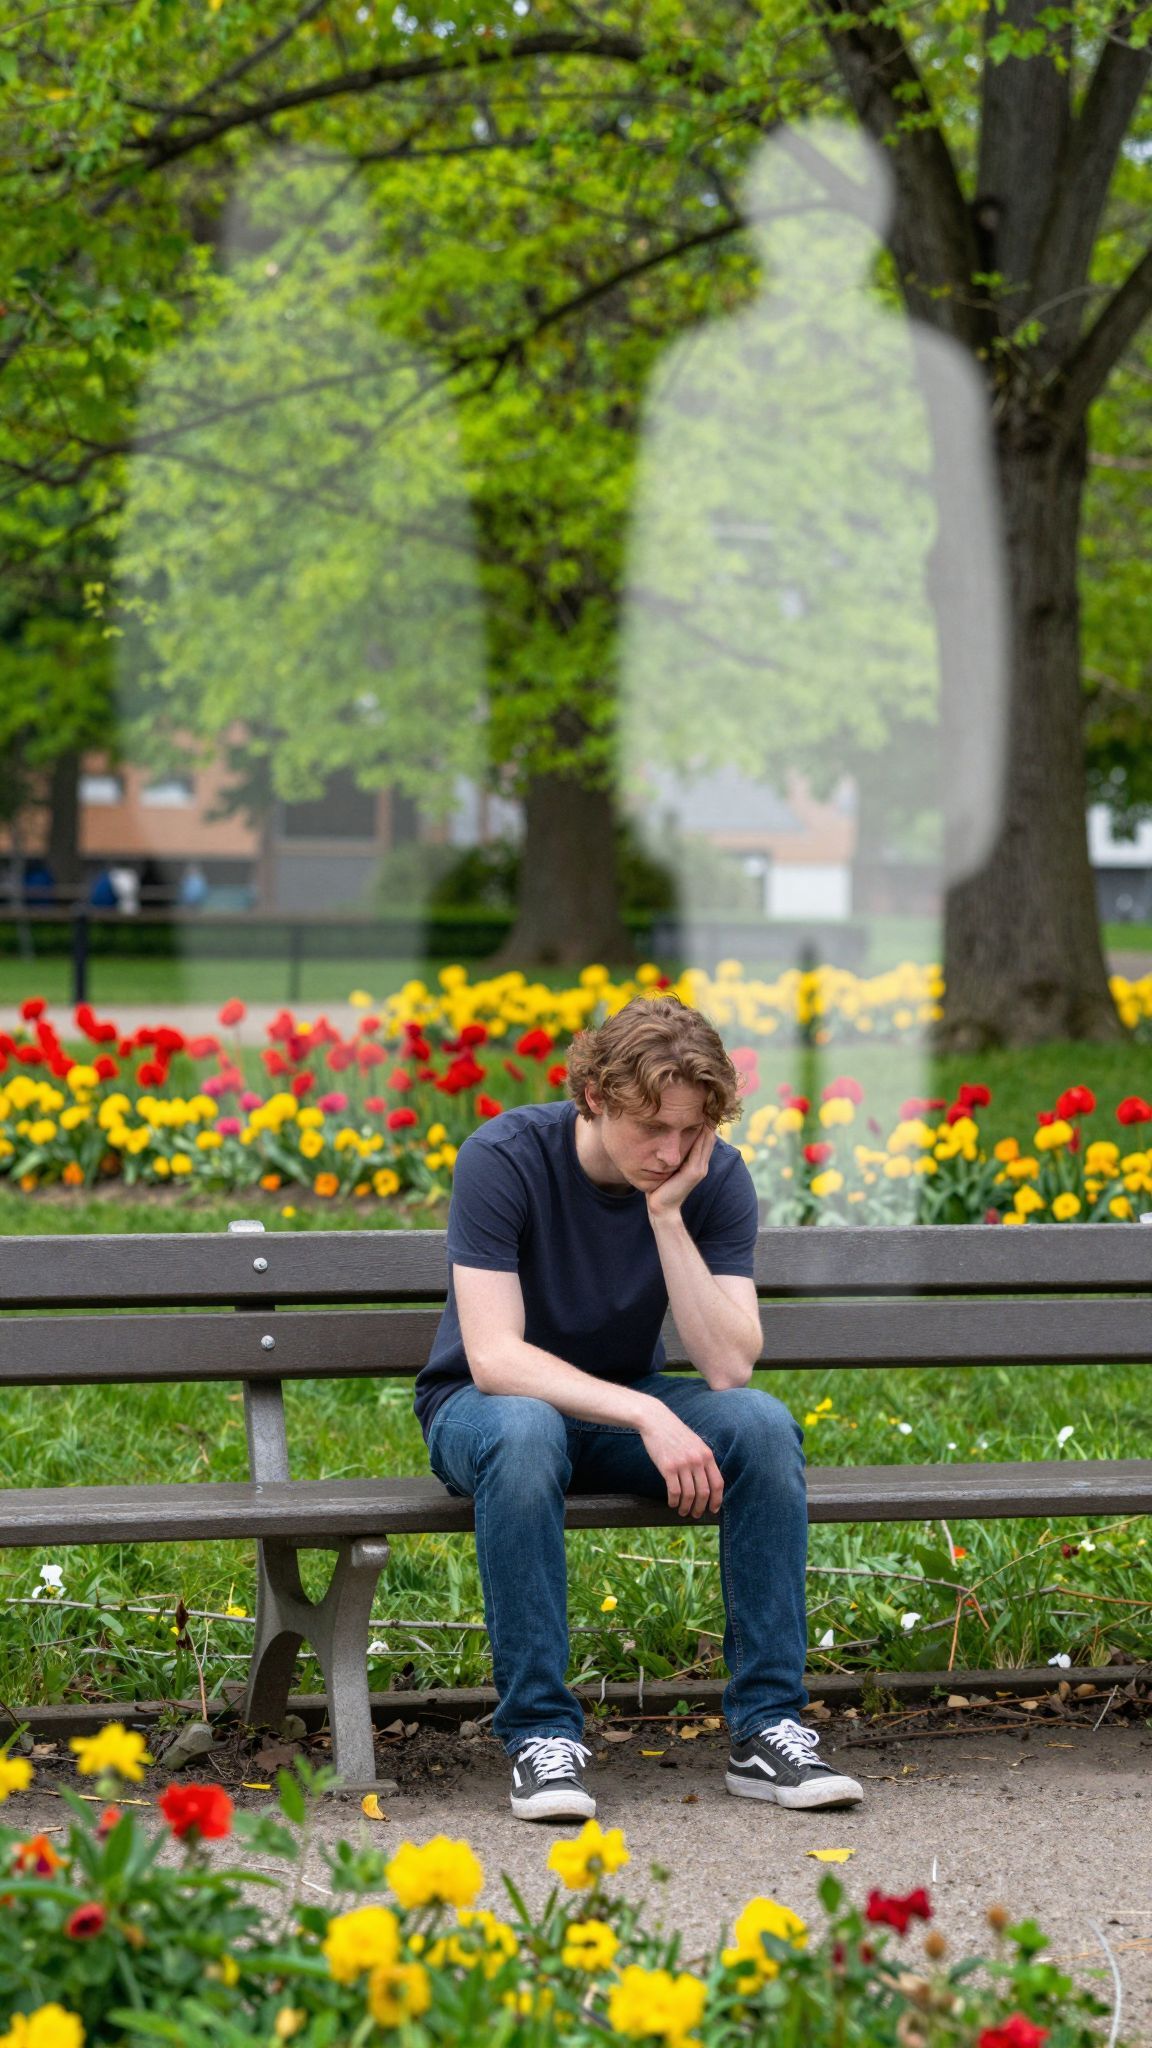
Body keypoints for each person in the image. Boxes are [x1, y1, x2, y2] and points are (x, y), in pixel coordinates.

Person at [415, 993, 863, 1822]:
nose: (670, 1151)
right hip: (485, 1410)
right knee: (524, 1429)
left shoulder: (709, 1179)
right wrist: (650, 1416)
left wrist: (666, 1216)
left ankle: (768, 1726)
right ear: (594, 1098)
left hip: (617, 1409)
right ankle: (540, 1737)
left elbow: (730, 1363)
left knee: (762, 1425)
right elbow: (494, 1357)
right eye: (650, 1130)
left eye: (690, 1131)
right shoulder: (504, 1157)